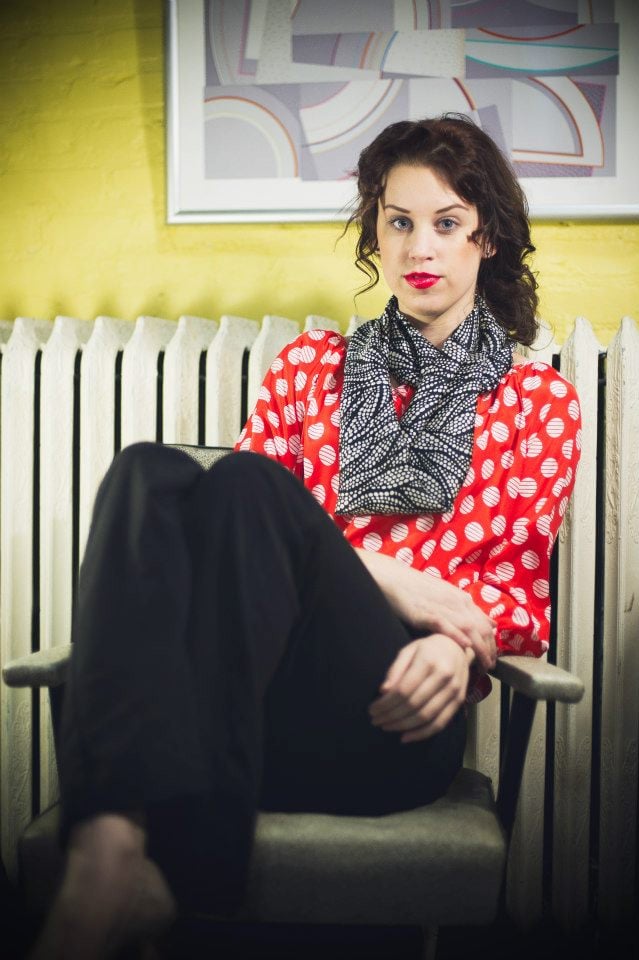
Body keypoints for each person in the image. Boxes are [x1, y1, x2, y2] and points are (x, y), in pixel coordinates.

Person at [31, 114, 581, 959]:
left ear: (488, 239)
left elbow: (514, 591)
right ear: (374, 234)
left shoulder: (537, 402)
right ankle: (109, 851)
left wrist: (456, 642)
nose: (418, 248)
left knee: (247, 481)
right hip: (260, 705)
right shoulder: (308, 369)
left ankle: (147, 861)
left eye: (446, 224)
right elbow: (231, 543)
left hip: (394, 722)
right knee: (147, 469)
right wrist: (389, 572)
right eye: (398, 222)